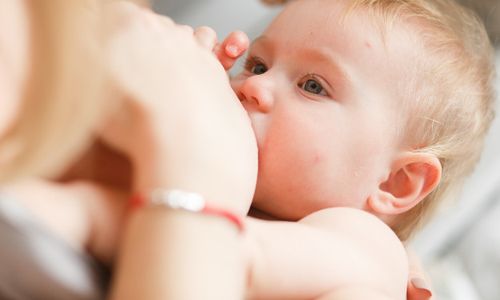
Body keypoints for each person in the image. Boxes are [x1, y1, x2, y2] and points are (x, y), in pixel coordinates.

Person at [1, 0, 494, 299]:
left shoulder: (367, 245)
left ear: (395, 182)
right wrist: (181, 88)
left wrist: (76, 212)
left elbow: (234, 257)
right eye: (257, 65)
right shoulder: (240, 192)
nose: (253, 88)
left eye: (313, 86)